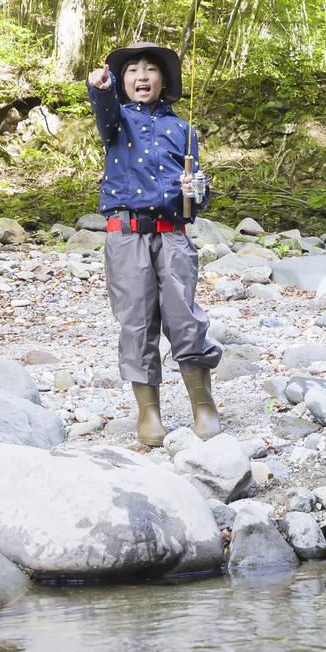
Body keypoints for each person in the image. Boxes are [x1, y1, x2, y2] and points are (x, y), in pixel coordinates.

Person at [87, 41, 222, 446]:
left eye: (150, 70)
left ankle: (203, 404)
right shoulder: (115, 120)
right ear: (122, 81)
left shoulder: (183, 129)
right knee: (137, 320)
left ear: (164, 81)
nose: (141, 76)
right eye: (132, 71)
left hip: (173, 236)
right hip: (125, 236)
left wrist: (196, 190)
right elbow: (104, 110)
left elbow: (197, 200)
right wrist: (101, 89)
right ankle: (149, 413)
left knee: (184, 317)